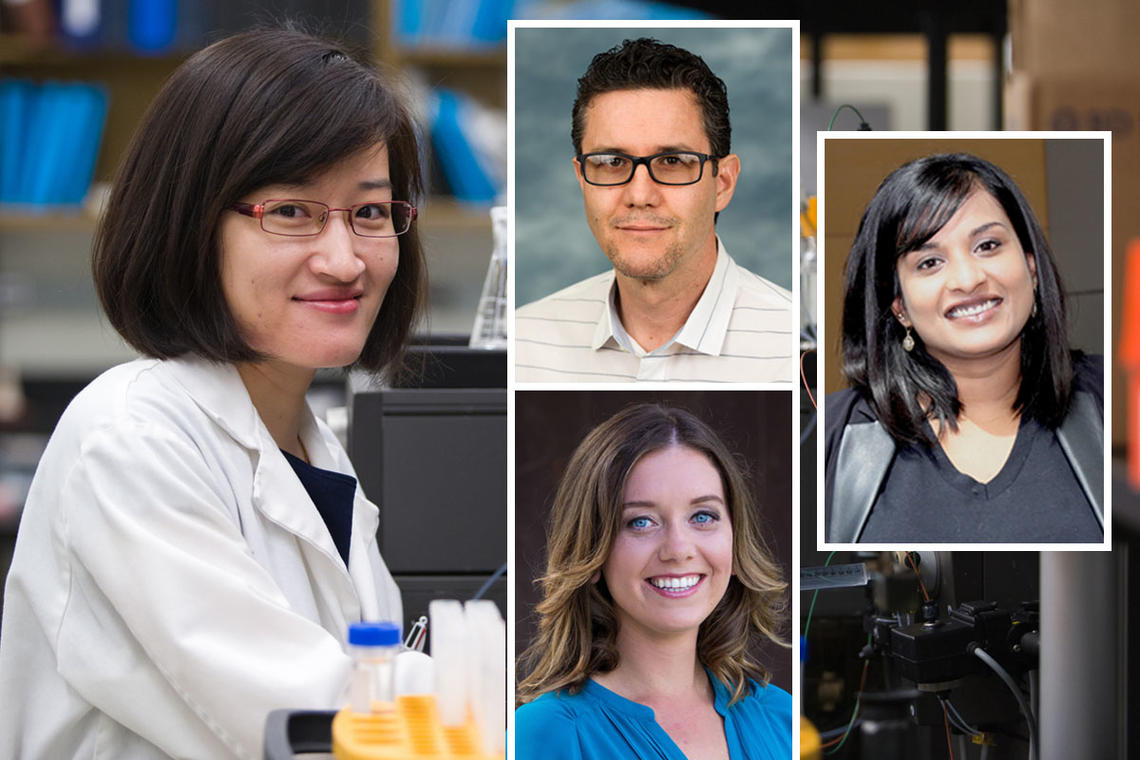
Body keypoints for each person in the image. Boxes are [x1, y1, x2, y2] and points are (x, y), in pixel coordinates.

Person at [0, 28, 426, 758]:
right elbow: (317, 717)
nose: (344, 257)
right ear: (193, 226)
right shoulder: (133, 435)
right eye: (290, 211)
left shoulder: (312, 449)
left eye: (370, 212)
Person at [825, 152, 1103, 543]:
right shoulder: (834, 436)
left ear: (1032, 267)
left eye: (988, 245)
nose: (968, 278)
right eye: (929, 262)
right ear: (899, 305)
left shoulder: (1113, 397)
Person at [516, 404, 791, 760]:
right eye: (641, 522)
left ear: (736, 544)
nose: (678, 549)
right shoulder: (545, 734)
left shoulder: (781, 716)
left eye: (703, 516)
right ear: (593, 551)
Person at [514, 38, 795, 383]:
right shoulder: (523, 344)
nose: (640, 194)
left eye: (673, 161)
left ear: (722, 183)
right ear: (582, 180)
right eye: (612, 161)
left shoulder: (795, 350)